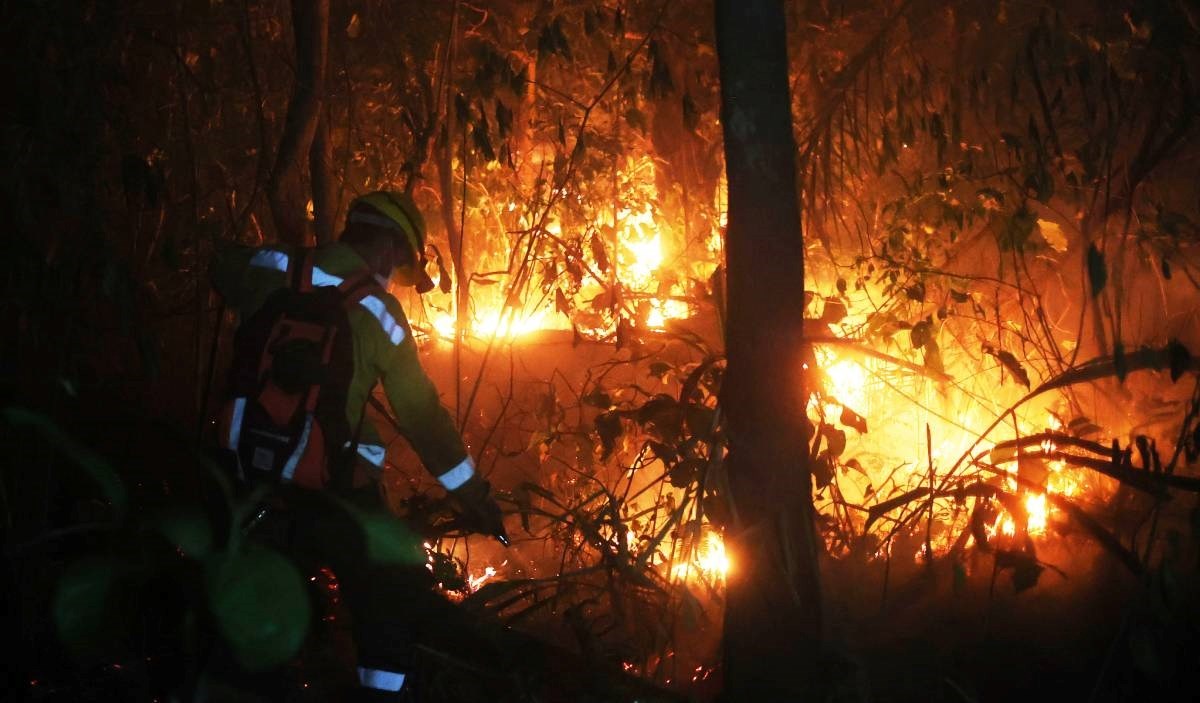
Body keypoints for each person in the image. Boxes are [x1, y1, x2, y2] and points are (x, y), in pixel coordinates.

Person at [210, 190, 505, 700]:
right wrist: (473, 496)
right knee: (393, 586)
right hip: (331, 496)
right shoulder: (378, 312)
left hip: (241, 477)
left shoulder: (268, 266)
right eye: (401, 265)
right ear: (390, 249)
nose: (396, 278)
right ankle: (380, 692)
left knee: (251, 619)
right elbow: (423, 418)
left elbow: (219, 267)